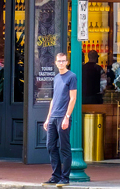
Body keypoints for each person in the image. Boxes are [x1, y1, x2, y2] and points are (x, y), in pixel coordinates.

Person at [46, 52, 78, 186]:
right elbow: (53, 99)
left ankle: (65, 178)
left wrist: (67, 117)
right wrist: (48, 118)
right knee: (50, 146)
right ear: (55, 62)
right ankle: (56, 176)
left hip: (63, 117)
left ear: (67, 62)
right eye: (59, 61)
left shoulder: (72, 76)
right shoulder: (56, 77)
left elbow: (73, 98)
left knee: (64, 148)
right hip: (53, 117)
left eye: (63, 61)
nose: (61, 63)